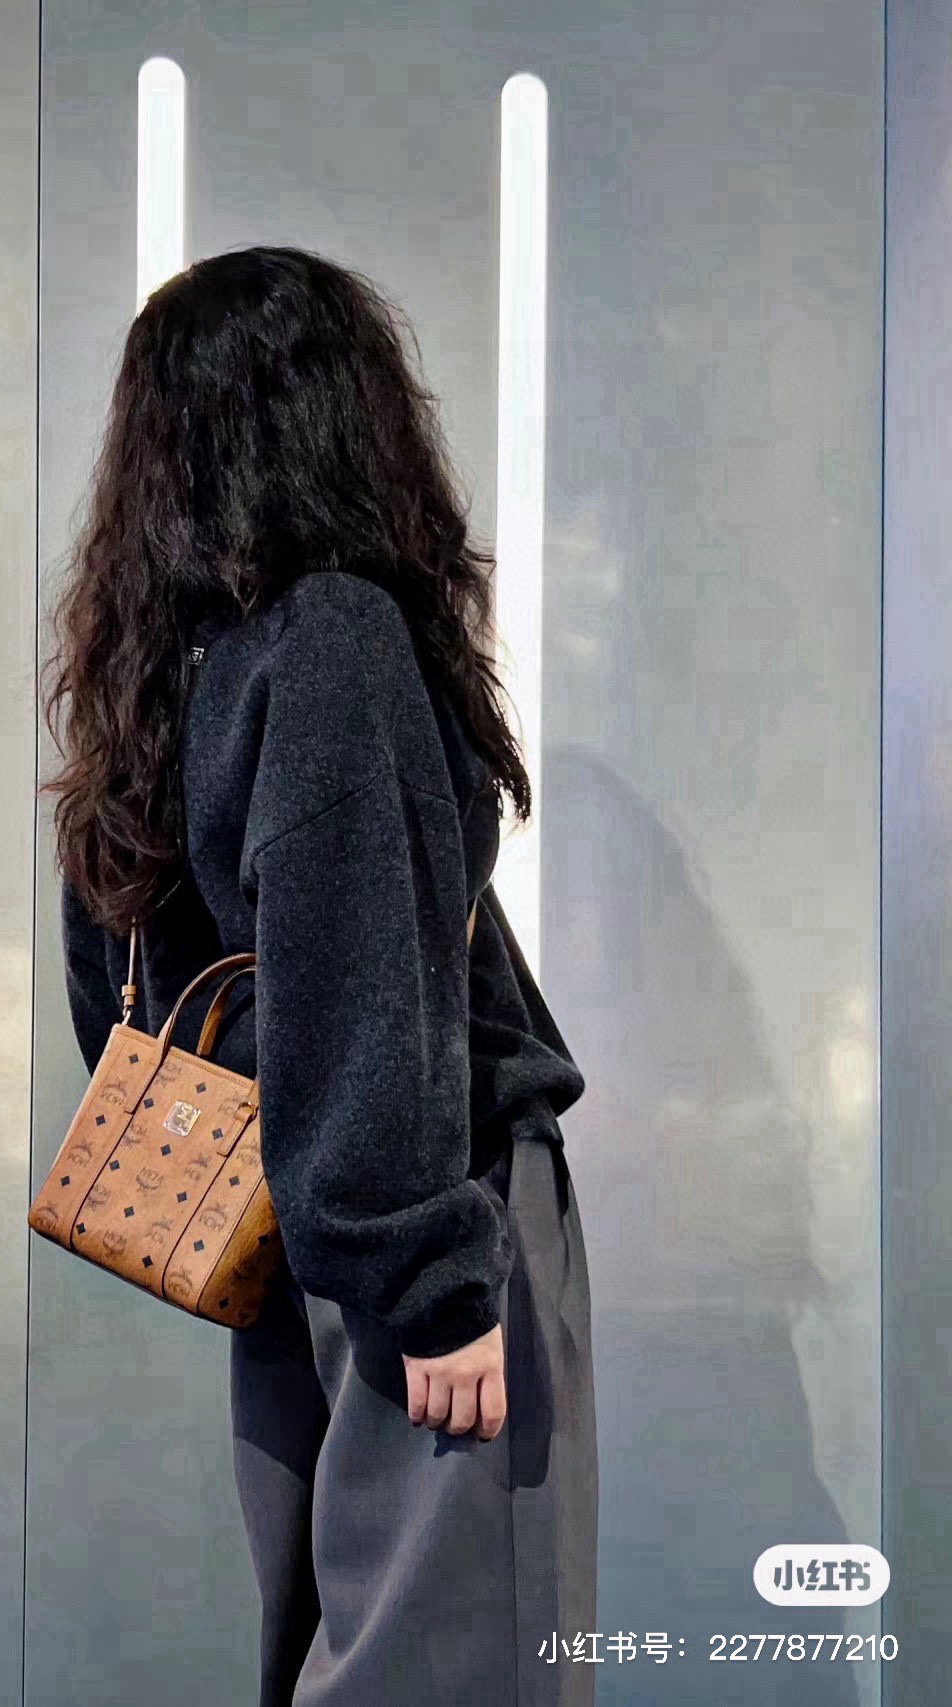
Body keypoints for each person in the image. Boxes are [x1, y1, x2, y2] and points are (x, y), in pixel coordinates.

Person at [38, 244, 598, 1707]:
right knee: (463, 1661)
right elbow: (358, 963)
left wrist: (345, 1215)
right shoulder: (338, 635)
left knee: (340, 1649)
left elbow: (117, 993)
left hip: (294, 1234)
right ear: (351, 416)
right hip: (416, 1214)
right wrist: (430, 1276)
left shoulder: (167, 674)